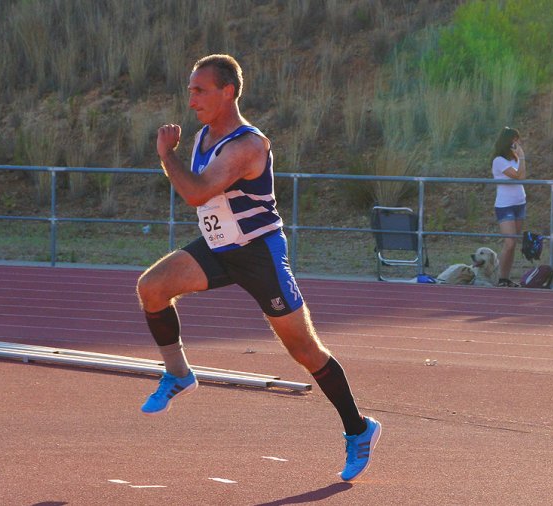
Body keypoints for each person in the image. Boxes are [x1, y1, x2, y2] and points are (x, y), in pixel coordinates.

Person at [135, 54, 380, 482]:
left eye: (200, 90)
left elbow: (195, 194)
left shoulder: (247, 144)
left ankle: (359, 429)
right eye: (190, 90)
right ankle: (178, 373)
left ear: (227, 92)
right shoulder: (203, 137)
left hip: (258, 254)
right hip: (218, 248)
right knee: (152, 287)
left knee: (304, 351)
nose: (190, 99)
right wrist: (175, 155)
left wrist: (165, 156)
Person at [491, 127, 526, 287]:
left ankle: (506, 277)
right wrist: (523, 157)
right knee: (509, 242)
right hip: (505, 205)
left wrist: (520, 158)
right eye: (515, 140)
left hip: (519, 202)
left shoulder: (515, 158)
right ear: (509, 141)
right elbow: (517, 175)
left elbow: (522, 176)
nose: (518, 143)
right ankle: (499, 277)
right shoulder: (499, 160)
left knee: (514, 244)